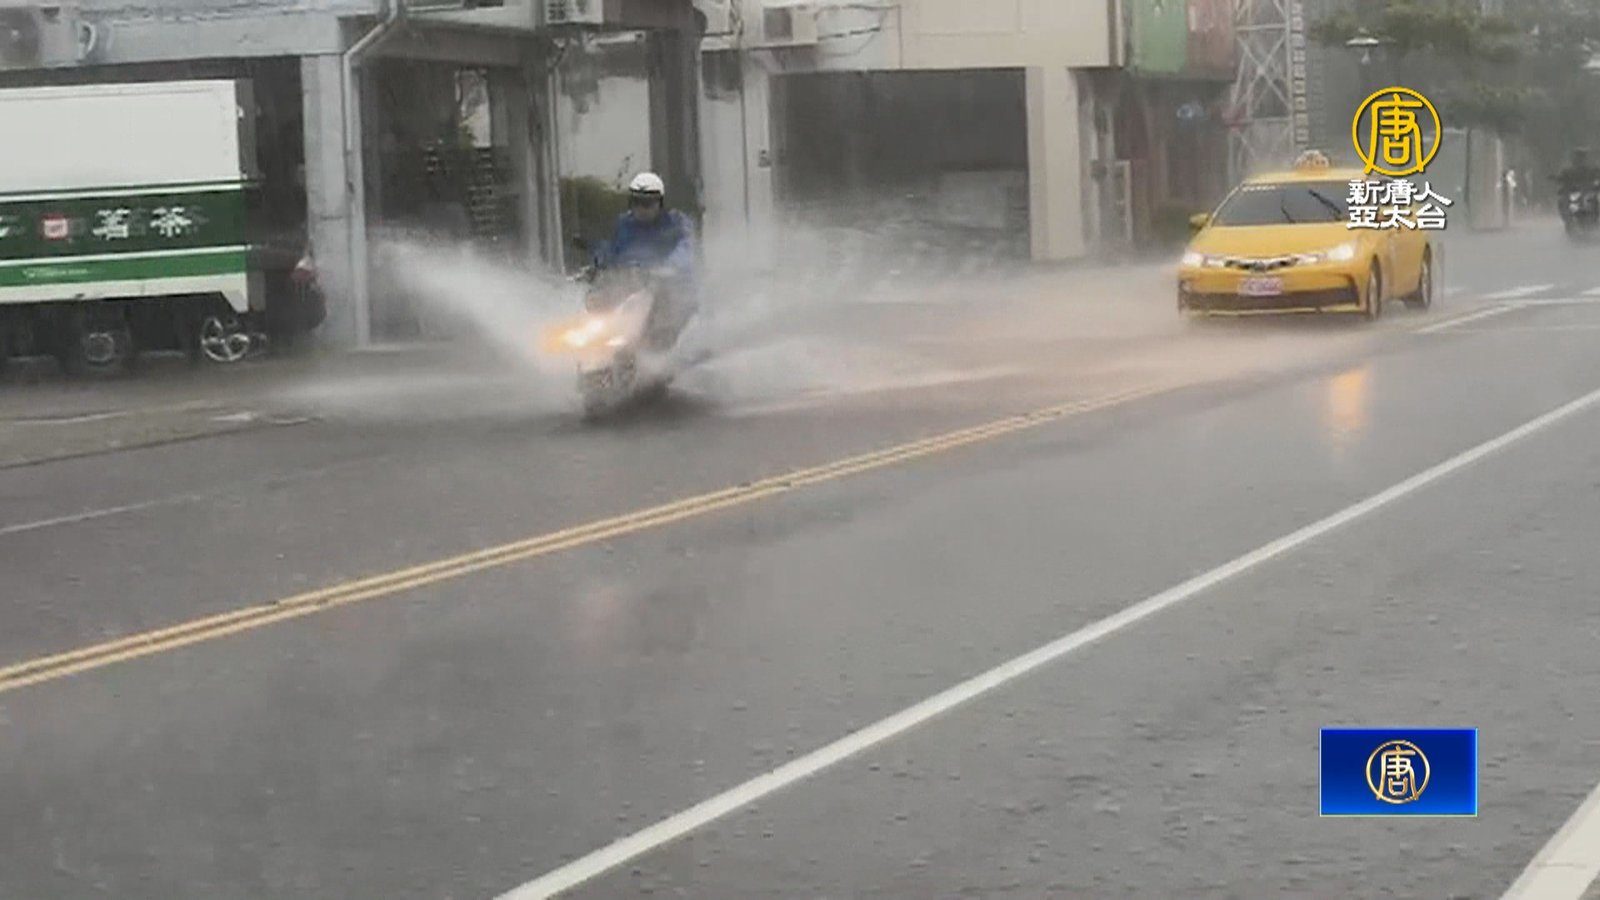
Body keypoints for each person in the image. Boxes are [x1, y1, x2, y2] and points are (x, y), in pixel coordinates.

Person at [592, 172, 699, 351]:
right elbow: (613, 251)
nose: (642, 208)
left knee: (665, 310)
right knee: (600, 302)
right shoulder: (624, 224)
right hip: (633, 286)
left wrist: (668, 267)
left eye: (648, 203)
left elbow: (685, 248)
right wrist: (599, 257)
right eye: (637, 202)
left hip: (670, 289)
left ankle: (664, 348)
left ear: (660, 203)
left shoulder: (677, 223)